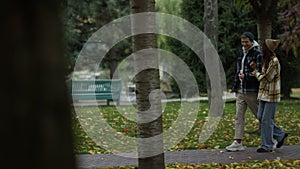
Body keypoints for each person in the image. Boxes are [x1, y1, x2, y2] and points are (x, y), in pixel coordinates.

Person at [225, 32, 262, 152]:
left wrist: (245, 76)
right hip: (241, 90)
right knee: (238, 116)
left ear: (252, 41)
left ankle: (277, 135)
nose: (244, 44)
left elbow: (259, 73)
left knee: (260, 115)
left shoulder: (257, 53)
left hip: (251, 91)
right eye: (243, 42)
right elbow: (238, 70)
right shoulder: (242, 53)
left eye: (246, 42)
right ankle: (238, 142)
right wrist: (235, 86)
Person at [251, 39, 288, 153]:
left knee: (266, 120)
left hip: (271, 95)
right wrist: (255, 70)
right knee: (261, 116)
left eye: (263, 47)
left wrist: (256, 73)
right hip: (264, 94)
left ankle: (267, 146)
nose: (261, 49)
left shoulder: (274, 61)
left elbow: (267, 78)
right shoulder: (266, 61)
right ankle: (280, 134)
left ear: (268, 49)